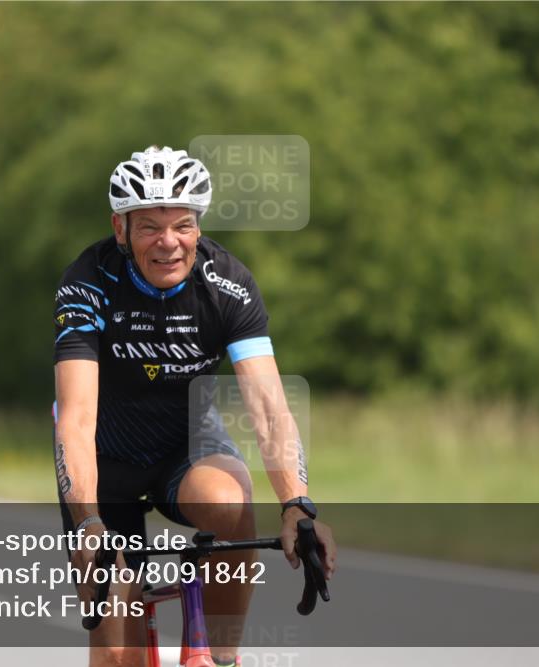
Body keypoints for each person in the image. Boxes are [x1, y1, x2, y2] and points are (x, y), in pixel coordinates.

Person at [54, 145, 336, 667]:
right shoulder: (87, 283)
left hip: (183, 449)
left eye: (182, 225)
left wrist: (297, 505)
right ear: (120, 229)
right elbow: (75, 418)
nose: (169, 242)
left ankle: (220, 657)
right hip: (104, 461)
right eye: (149, 227)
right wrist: (88, 522)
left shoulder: (228, 284)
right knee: (117, 653)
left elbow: (268, 408)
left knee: (230, 501)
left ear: (198, 227)